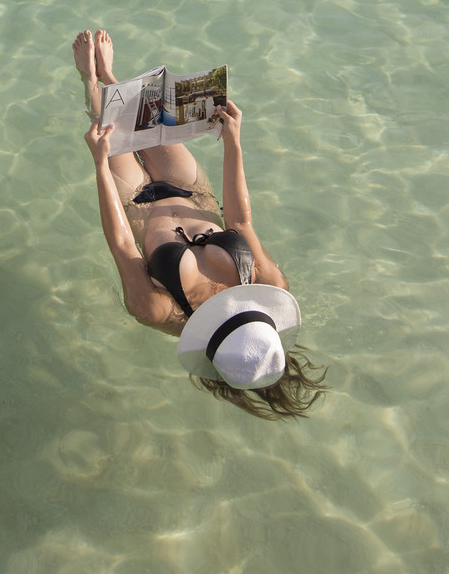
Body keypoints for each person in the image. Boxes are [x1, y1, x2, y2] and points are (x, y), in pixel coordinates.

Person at [73, 29, 327, 420]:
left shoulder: (158, 311)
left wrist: (98, 164)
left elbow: (123, 247)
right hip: (192, 192)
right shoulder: (270, 285)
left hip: (135, 200)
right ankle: (110, 74)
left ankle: (90, 80)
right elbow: (240, 219)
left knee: (105, 126)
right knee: (146, 114)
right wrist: (233, 142)